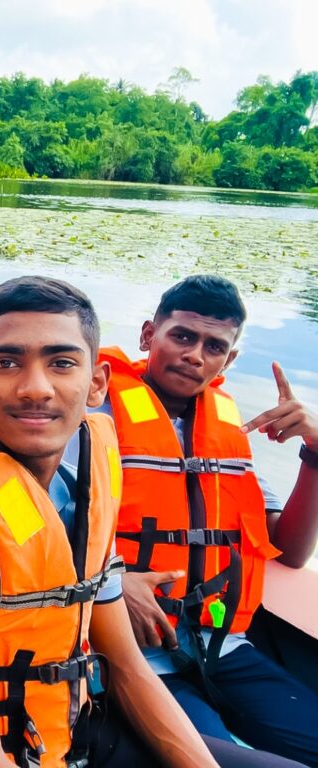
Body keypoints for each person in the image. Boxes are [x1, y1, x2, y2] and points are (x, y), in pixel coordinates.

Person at [0, 276, 296, 767]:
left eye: (61, 363)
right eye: (6, 362)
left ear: (96, 382)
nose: (36, 388)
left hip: (71, 734)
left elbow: (126, 667)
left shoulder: (78, 495)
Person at [95, 274, 318, 764]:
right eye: (182, 336)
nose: (196, 354)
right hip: (135, 654)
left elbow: (292, 549)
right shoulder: (93, 416)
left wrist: (315, 454)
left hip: (223, 645)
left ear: (229, 361)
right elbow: (45, 525)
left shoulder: (227, 438)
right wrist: (110, 581)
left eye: (214, 346)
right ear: (149, 335)